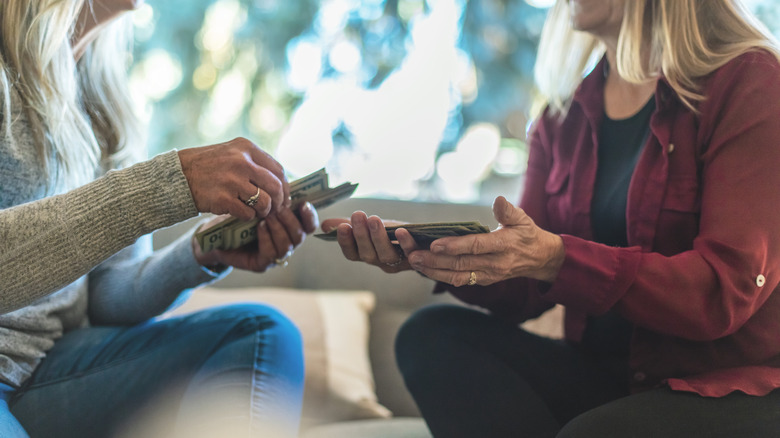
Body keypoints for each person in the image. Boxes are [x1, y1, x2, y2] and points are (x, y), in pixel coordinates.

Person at [321, 0, 780, 436]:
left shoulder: (749, 83)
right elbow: (526, 287)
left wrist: (557, 259)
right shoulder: (562, 120)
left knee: (598, 433)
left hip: (727, 385)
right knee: (428, 336)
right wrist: (432, 253)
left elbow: (723, 290)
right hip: (611, 380)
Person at [0, 0, 319, 437]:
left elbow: (106, 295)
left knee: (260, 334)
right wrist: (166, 185)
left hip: (49, 370)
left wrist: (200, 253)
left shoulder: (104, 104)